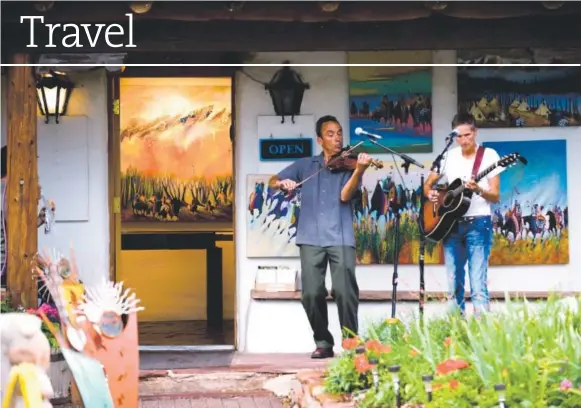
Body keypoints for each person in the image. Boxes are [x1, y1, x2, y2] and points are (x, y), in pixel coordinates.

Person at [268, 115, 372, 359]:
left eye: (339, 134)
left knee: (344, 291)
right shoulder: (305, 165)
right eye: (330, 134)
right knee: (311, 293)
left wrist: (358, 171)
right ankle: (323, 341)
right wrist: (283, 183)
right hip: (310, 237)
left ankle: (350, 341)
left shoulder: (350, 165)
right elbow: (272, 181)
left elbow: (345, 196)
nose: (337, 139)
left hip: (341, 236)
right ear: (319, 139)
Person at [423, 113, 502, 317]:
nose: (464, 140)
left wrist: (478, 190)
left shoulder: (489, 155)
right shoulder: (448, 157)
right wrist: (431, 194)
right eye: (459, 136)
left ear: (475, 132)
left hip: (478, 223)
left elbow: (494, 196)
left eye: (468, 135)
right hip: (451, 225)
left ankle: (481, 339)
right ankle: (456, 336)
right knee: (453, 285)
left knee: (477, 286)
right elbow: (428, 184)